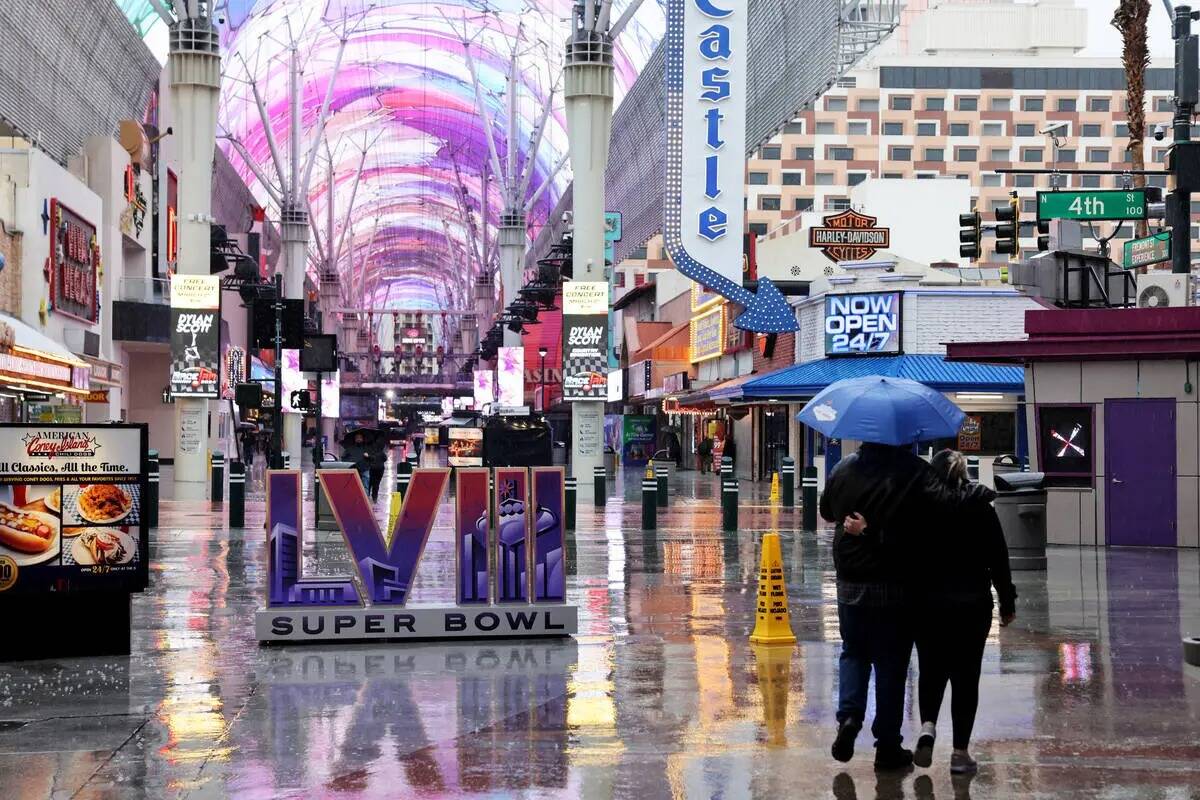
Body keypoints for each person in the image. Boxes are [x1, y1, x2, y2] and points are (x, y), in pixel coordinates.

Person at [819, 442, 993, 771]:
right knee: (891, 664)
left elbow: (827, 510)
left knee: (853, 652)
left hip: (850, 583)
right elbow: (948, 501)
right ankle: (887, 747)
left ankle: (851, 716)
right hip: (894, 585)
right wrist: (982, 493)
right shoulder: (912, 471)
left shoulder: (843, 469)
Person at [907, 450, 1016, 774]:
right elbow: (999, 558)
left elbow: (905, 553)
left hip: (928, 604)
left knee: (931, 669)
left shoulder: (920, 507)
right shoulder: (980, 506)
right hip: (972, 604)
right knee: (966, 678)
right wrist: (1007, 603)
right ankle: (959, 753)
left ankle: (927, 726)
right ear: (964, 474)